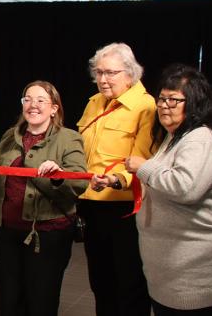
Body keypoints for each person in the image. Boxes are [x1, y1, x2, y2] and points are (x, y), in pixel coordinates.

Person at [124, 64, 212, 316]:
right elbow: (162, 182)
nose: (164, 105)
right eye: (162, 98)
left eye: (174, 100)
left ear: (196, 103)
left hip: (192, 270)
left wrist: (142, 167)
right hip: (170, 270)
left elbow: (185, 188)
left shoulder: (201, 139)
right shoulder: (175, 136)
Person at [0, 80, 87, 316]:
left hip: (47, 236)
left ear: (54, 108)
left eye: (41, 100)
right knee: (9, 303)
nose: (33, 105)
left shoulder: (69, 138)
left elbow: (79, 183)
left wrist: (57, 177)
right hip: (7, 232)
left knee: (41, 303)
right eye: (27, 99)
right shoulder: (10, 136)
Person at [77, 42, 155, 316]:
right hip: (91, 204)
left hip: (123, 209)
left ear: (130, 73)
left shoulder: (146, 107)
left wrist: (114, 180)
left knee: (129, 284)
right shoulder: (94, 102)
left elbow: (143, 159)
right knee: (100, 282)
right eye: (98, 72)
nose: (102, 79)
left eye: (110, 73)